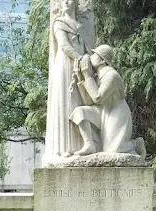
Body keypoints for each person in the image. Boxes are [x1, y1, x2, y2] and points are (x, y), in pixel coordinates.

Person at [69, 45, 145, 157]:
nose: (90, 57)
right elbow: (89, 101)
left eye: (94, 55)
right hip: (102, 110)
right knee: (79, 112)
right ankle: (89, 145)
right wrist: (81, 77)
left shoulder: (112, 76)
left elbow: (98, 98)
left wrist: (87, 75)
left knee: (115, 151)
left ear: (102, 61)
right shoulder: (96, 76)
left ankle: (135, 144)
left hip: (116, 113)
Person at [44, 0, 93, 160]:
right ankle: (63, 148)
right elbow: (64, 45)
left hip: (79, 67)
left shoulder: (79, 25)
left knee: (77, 103)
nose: (65, 2)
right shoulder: (59, 23)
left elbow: (87, 47)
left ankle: (80, 145)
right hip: (65, 65)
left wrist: (87, 59)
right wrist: (80, 58)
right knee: (64, 103)